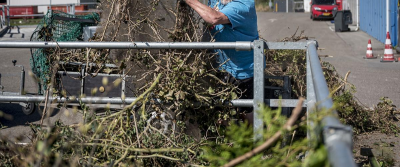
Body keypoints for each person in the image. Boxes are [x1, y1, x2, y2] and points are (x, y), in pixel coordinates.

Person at [185, 0, 259, 124]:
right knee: (222, 116)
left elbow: (214, 18)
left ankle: (256, 141)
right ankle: (226, 141)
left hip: (245, 71)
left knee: (246, 114)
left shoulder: (244, 4)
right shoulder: (217, 1)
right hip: (224, 68)